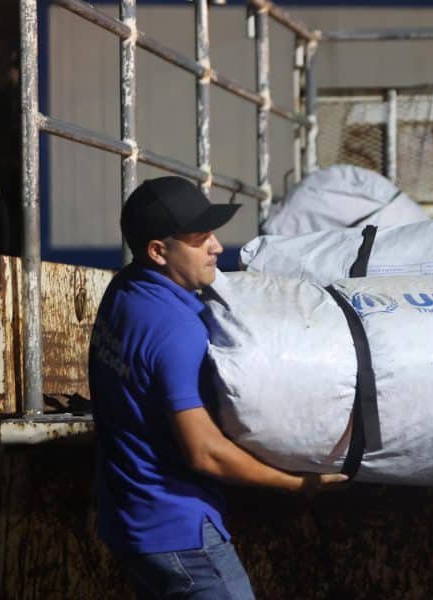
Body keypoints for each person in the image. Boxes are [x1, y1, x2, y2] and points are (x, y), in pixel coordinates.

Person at [89, 176, 347, 599]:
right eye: (200, 238)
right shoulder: (175, 331)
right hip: (178, 534)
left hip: (126, 521)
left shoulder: (124, 290)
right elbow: (204, 452)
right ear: (158, 250)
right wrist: (298, 484)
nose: (216, 246)